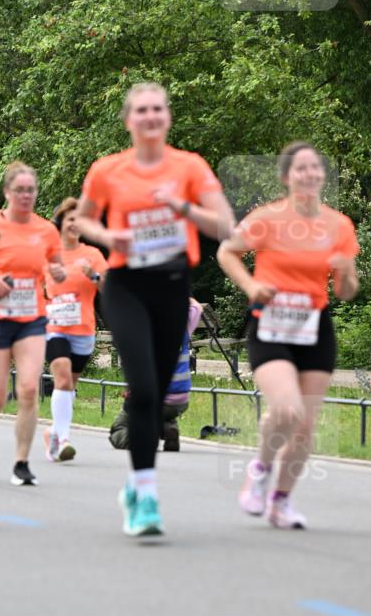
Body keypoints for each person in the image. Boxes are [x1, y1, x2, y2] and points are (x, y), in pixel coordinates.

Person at [76, 83, 234, 536]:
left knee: (159, 390)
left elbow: (225, 223)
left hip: (171, 284)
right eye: (141, 110)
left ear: (167, 117)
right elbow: (84, 218)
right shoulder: (107, 170)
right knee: (144, 388)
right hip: (126, 285)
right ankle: (145, 496)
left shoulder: (190, 166)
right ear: (129, 120)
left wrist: (182, 206)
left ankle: (134, 484)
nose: (150, 116)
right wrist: (108, 237)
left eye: (157, 109)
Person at [217, 141, 359, 529]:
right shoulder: (268, 218)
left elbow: (345, 292)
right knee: (286, 410)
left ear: (322, 175)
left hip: (314, 328)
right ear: (286, 177)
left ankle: (280, 501)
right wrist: (250, 286)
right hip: (271, 325)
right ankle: (260, 469)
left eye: (315, 167)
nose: (309, 174)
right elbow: (227, 252)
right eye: (301, 168)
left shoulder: (339, 225)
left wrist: (346, 270)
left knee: (305, 426)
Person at [0, 162, 65, 486]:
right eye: (19, 190)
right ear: (7, 192)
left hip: (31, 318)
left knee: (28, 388)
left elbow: (54, 266)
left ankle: (21, 462)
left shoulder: (46, 230)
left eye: (30, 190)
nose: (26, 195)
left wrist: (57, 273)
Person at [43, 197, 108, 462]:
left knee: (69, 387)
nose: (75, 224)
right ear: (60, 223)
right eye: (71, 219)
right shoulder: (47, 255)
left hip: (83, 329)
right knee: (62, 379)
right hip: (54, 327)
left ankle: (52, 433)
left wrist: (93, 274)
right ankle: (63, 440)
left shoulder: (92, 255)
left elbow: (108, 287)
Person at [109, 298, 203, 453]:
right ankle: (168, 428)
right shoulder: (182, 325)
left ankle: (146, 439)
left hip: (149, 400)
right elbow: (197, 308)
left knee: (118, 430)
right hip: (179, 401)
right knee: (164, 413)